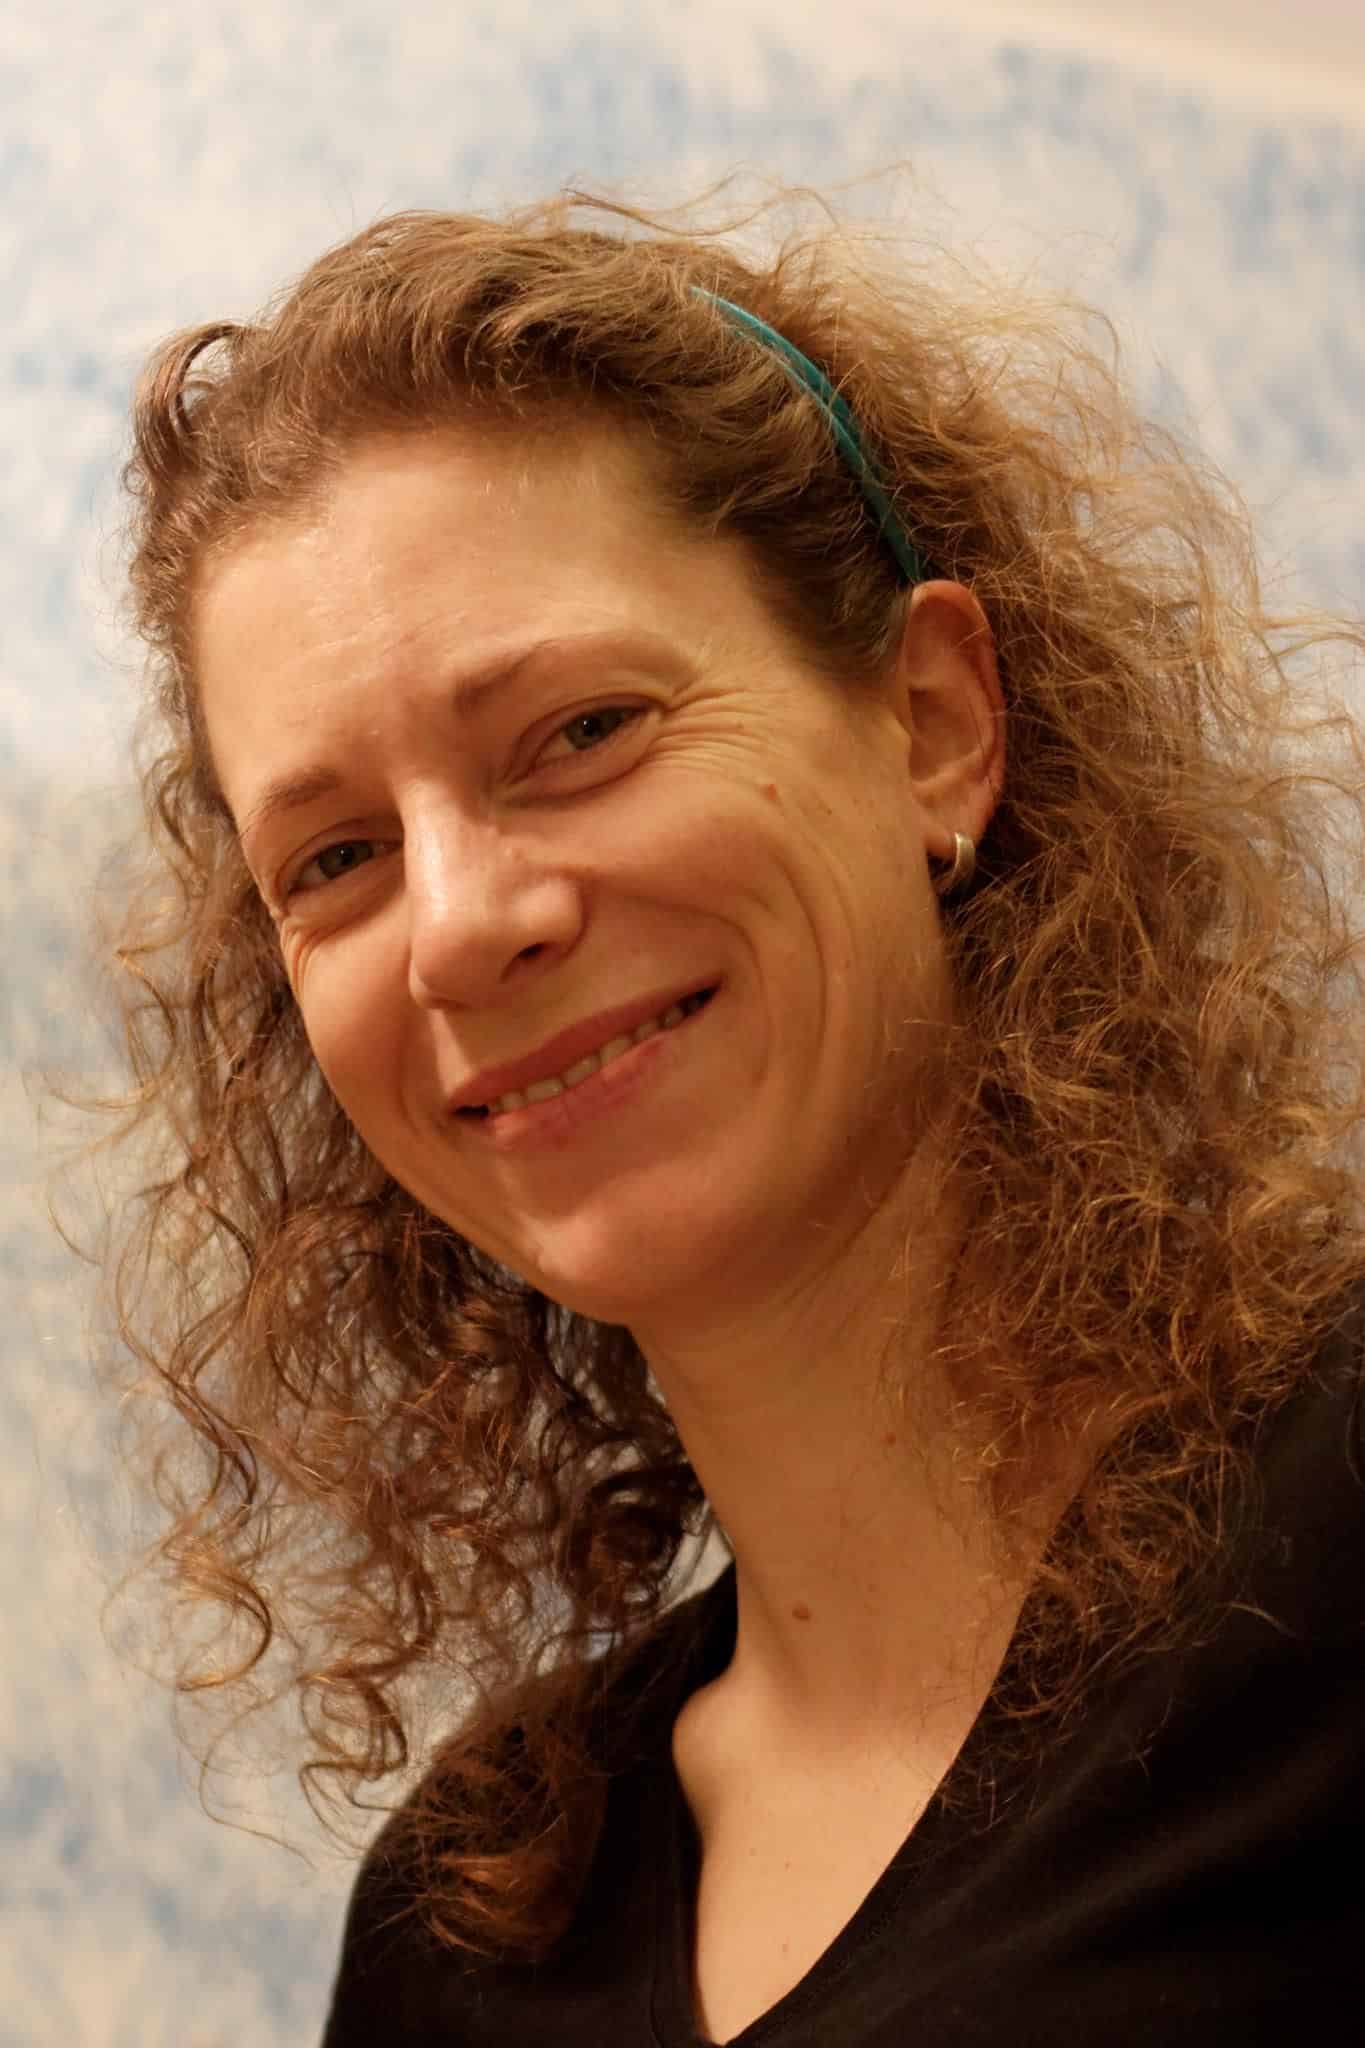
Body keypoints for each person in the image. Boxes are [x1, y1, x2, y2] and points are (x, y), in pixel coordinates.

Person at [100, 185, 1365, 2044]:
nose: (457, 927)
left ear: (929, 724)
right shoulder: (467, 1934)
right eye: (338, 857)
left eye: (581, 732)